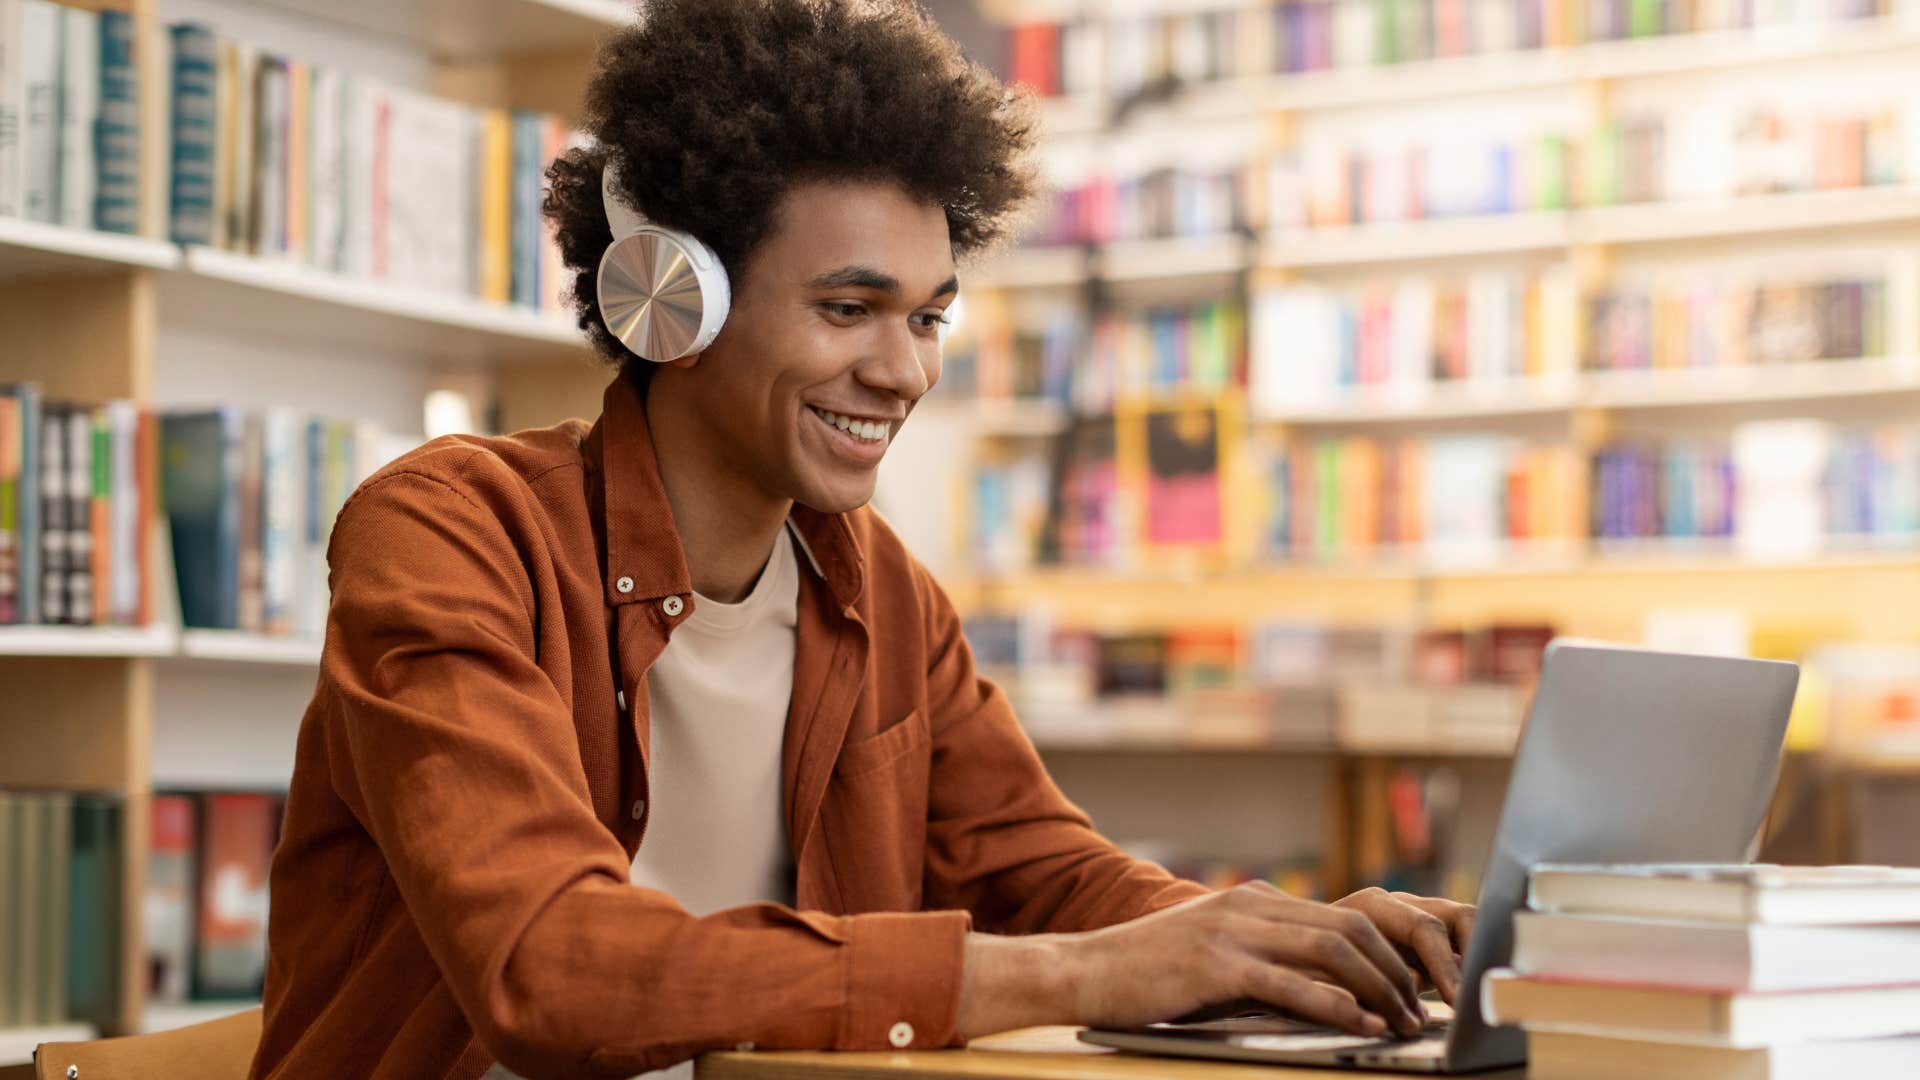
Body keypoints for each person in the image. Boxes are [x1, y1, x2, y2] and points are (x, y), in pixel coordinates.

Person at [248, 2, 1474, 1078]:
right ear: (675, 297)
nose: (903, 371)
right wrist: (1083, 977)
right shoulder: (452, 535)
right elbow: (552, 969)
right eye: (850, 309)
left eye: (930, 316)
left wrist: (1285, 937)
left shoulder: (883, 591)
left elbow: (1051, 874)